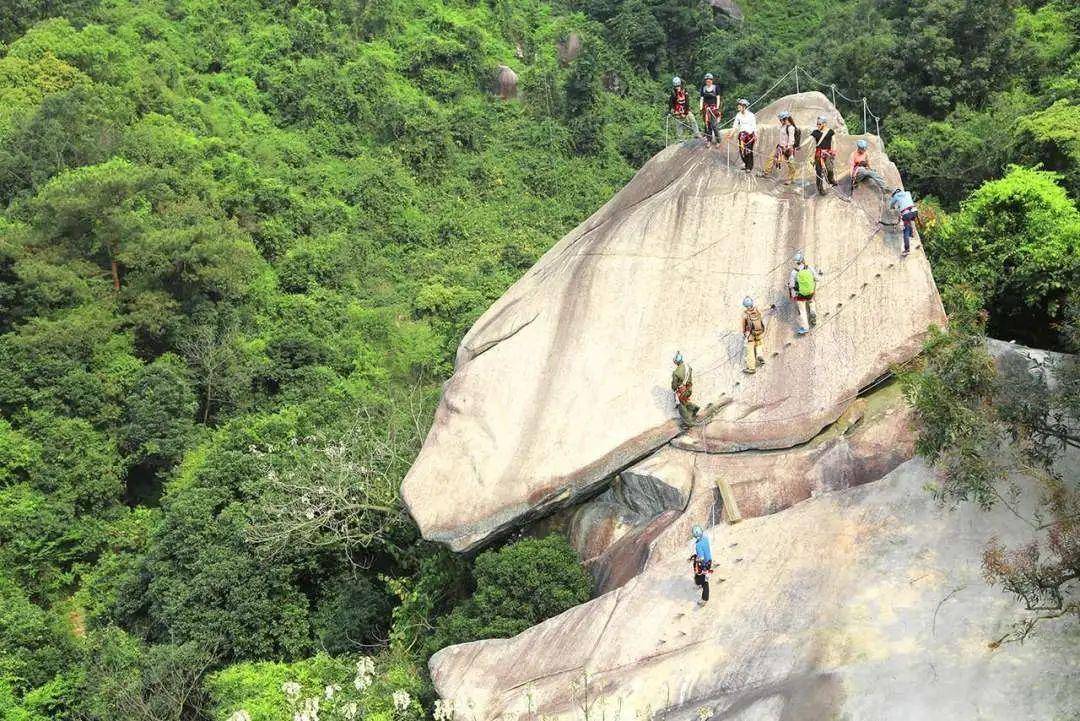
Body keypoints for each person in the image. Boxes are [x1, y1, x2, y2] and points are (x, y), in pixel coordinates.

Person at [788, 251, 819, 335]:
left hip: (800, 295)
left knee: (802, 311)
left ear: (796, 262)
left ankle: (805, 327)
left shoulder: (794, 272)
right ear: (803, 260)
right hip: (810, 292)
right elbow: (817, 278)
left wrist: (793, 293)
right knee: (811, 301)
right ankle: (813, 312)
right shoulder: (809, 268)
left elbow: (791, 285)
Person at [762, 111, 798, 184]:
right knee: (771, 158)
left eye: (781, 120)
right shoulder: (783, 126)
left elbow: (791, 139)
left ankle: (791, 179)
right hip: (780, 147)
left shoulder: (791, 128)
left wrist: (788, 147)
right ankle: (766, 172)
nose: (780, 121)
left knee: (791, 163)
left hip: (788, 148)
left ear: (785, 119)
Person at [810, 116, 837, 196]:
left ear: (824, 124)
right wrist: (800, 145)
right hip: (818, 153)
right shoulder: (815, 132)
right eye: (817, 124)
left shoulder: (830, 132)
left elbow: (834, 141)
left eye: (819, 124)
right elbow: (810, 141)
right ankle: (820, 188)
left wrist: (834, 151)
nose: (817, 125)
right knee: (819, 171)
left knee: (829, 168)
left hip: (828, 153)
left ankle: (831, 179)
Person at [671, 351, 700, 426]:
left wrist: (675, 388)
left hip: (682, 391)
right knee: (684, 401)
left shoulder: (676, 373)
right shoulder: (688, 367)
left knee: (681, 408)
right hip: (689, 388)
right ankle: (694, 409)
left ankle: (689, 423)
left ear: (676, 362)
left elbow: (674, 386)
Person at [889, 188, 919, 256]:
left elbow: (891, 205)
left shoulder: (896, 196)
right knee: (910, 220)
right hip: (914, 211)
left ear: (894, 193)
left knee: (906, 230)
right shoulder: (907, 193)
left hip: (907, 214)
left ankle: (907, 249)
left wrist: (893, 207)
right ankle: (911, 233)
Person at [741, 297, 766, 374]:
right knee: (759, 344)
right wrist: (772, 306)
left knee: (750, 350)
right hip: (759, 332)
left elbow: (743, 325)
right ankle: (759, 355)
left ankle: (751, 368)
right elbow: (765, 308)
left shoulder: (745, 314)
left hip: (751, 334)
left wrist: (744, 333)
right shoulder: (757, 309)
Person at [731, 98, 757, 171]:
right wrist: (731, 134)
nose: (738, 107)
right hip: (742, 136)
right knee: (741, 151)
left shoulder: (751, 115)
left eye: (740, 106)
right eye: (738, 106)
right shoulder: (738, 115)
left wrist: (755, 134)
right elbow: (735, 126)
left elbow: (754, 125)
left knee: (748, 151)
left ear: (744, 106)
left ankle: (749, 167)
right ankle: (746, 164)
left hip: (750, 135)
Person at [689, 525, 712, 605]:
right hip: (709, 560)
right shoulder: (705, 539)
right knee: (698, 574)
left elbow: (701, 557)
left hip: (703, 564)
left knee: (704, 581)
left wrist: (696, 559)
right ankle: (698, 584)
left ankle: (705, 599)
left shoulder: (698, 545)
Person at [699, 73, 722, 145]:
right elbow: (702, 98)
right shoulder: (703, 88)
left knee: (714, 125)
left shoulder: (716, 87)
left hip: (714, 108)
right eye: (707, 80)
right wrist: (700, 107)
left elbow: (718, 98)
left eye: (709, 80)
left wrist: (717, 108)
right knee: (707, 124)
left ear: (712, 81)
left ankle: (718, 140)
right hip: (706, 108)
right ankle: (709, 139)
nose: (708, 82)